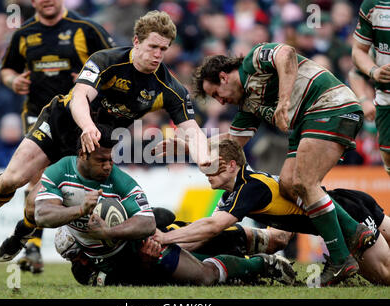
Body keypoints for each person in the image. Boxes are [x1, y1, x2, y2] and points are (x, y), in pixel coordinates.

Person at [0, 11, 213, 266]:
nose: (158, 55)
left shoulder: (168, 87)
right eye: (153, 47)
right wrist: (88, 126)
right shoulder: (106, 60)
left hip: (90, 147)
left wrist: (205, 161)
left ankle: (21, 233)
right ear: (136, 41)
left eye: (164, 49)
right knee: (11, 180)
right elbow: (80, 96)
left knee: (34, 205)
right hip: (60, 123)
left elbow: (191, 128)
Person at [190, 43, 375, 286]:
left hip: (330, 103)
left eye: (216, 94)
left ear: (223, 77)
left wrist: (283, 102)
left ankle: (341, 258)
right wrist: (189, 146)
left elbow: (286, 53)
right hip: (308, 121)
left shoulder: (251, 62)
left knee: (303, 182)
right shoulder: (248, 105)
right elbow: (232, 142)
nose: (221, 102)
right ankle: (353, 231)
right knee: (288, 184)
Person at [28, 132, 295, 286]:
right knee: (204, 274)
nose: (79, 259)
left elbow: (159, 217)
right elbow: (132, 280)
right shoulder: (87, 273)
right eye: (75, 258)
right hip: (151, 255)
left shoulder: (116, 185)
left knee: (249, 237)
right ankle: (265, 266)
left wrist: (122, 231)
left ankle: (272, 243)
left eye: (76, 255)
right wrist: (145, 257)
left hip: (159, 236)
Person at [153, 139, 381, 286]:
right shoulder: (236, 191)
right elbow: (207, 233)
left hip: (351, 214)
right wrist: (172, 250)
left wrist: (165, 237)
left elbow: (212, 227)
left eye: (211, 165)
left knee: (385, 277)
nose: (205, 170)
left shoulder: (250, 187)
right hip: (349, 203)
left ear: (232, 165)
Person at [0, 0, 114, 273]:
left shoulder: (86, 29)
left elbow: (116, 66)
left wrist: (92, 81)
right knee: (37, 179)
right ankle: (34, 247)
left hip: (80, 118)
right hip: (39, 116)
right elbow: (7, 69)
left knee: (80, 180)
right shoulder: (23, 34)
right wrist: (12, 81)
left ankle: (95, 247)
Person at [352, 0, 390, 176]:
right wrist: (364, 100)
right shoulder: (374, 5)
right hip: (383, 99)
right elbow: (355, 72)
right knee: (387, 155)